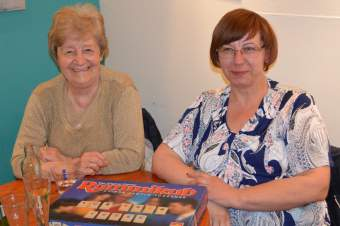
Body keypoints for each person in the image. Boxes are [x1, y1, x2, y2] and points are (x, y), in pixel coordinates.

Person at [152, 8, 330, 226]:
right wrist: (205, 196)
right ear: (217, 55)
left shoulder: (296, 106)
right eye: (228, 49)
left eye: (249, 48)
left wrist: (232, 196)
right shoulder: (207, 103)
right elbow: (162, 158)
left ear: (267, 53)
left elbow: (318, 184)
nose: (238, 59)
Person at [11, 3, 144, 179]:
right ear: (57, 57)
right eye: (69, 52)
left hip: (116, 194)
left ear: (101, 53)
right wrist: (72, 167)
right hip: (64, 196)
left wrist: (67, 163)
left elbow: (132, 156)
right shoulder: (43, 96)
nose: (79, 60)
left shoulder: (121, 90)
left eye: (88, 50)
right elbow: (20, 163)